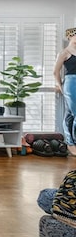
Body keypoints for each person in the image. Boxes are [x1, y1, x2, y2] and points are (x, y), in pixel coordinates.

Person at [53, 27, 76, 155]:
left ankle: (70, 141)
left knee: (69, 113)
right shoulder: (64, 52)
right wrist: (60, 86)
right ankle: (71, 142)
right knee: (74, 113)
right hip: (71, 83)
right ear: (70, 36)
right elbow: (55, 72)